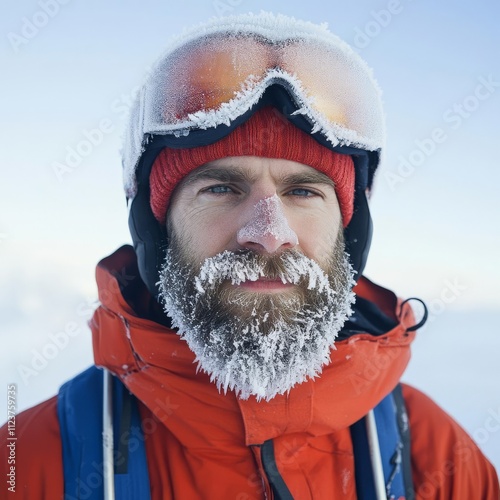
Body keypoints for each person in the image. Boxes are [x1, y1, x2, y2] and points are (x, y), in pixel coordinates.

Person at [1, 12, 498, 500]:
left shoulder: (434, 461)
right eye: (220, 187)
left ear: (350, 235)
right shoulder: (26, 467)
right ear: (157, 232)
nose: (268, 233)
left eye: (302, 191)